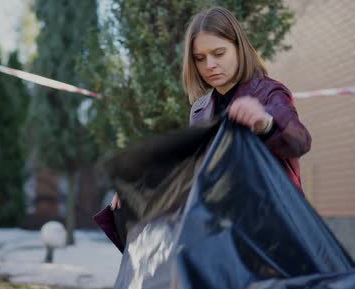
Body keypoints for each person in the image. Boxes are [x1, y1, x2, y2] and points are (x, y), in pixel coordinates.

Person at [109, 6, 311, 209]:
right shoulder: (199, 110)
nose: (209, 65)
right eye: (200, 58)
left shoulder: (270, 92)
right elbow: (191, 172)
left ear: (239, 49)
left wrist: (265, 123)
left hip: (275, 224)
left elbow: (299, 141)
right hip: (225, 228)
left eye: (218, 53)